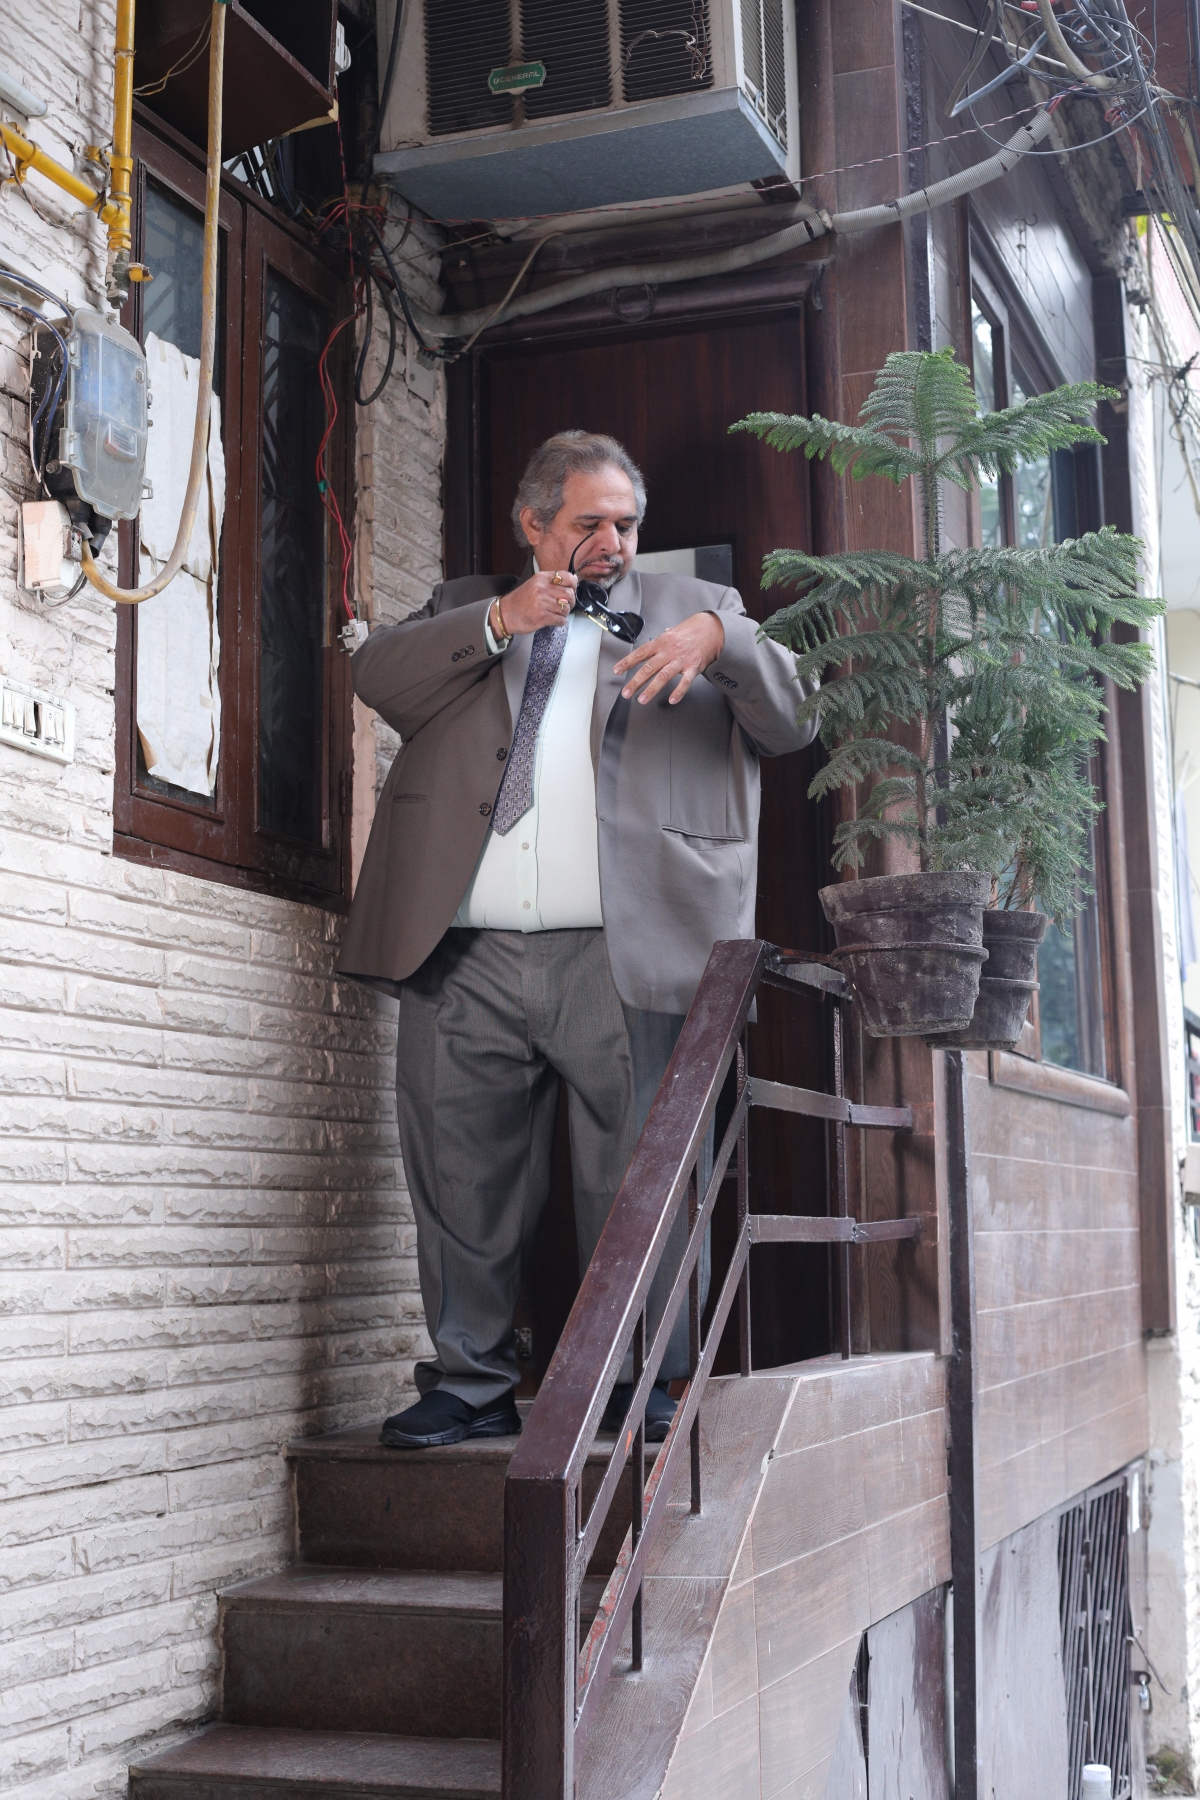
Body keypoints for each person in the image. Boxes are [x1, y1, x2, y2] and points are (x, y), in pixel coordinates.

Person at [337, 431, 816, 1448]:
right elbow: (379, 678)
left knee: (635, 1175)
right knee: (458, 1176)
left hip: (625, 947)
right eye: (588, 521)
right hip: (464, 947)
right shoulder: (469, 606)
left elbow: (792, 718)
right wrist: (501, 620)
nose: (612, 541)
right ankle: (469, 1384)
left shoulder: (699, 608)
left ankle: (641, 1383)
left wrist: (717, 644)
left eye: (626, 523)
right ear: (534, 524)